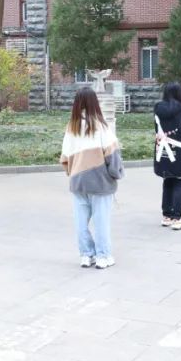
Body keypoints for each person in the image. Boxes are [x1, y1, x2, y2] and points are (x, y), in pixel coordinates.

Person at [60, 87, 125, 269]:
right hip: (100, 182)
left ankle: (86, 255)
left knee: (81, 223)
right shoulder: (101, 126)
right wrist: (116, 175)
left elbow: (64, 158)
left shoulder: (71, 128)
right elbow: (113, 157)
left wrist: (74, 173)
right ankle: (103, 256)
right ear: (94, 103)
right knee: (101, 222)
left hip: (78, 182)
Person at [153, 82, 181, 231]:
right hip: (180, 152)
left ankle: (167, 216)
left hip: (163, 153)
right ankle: (177, 218)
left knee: (168, 182)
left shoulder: (158, 110)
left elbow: (157, 129)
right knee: (179, 183)